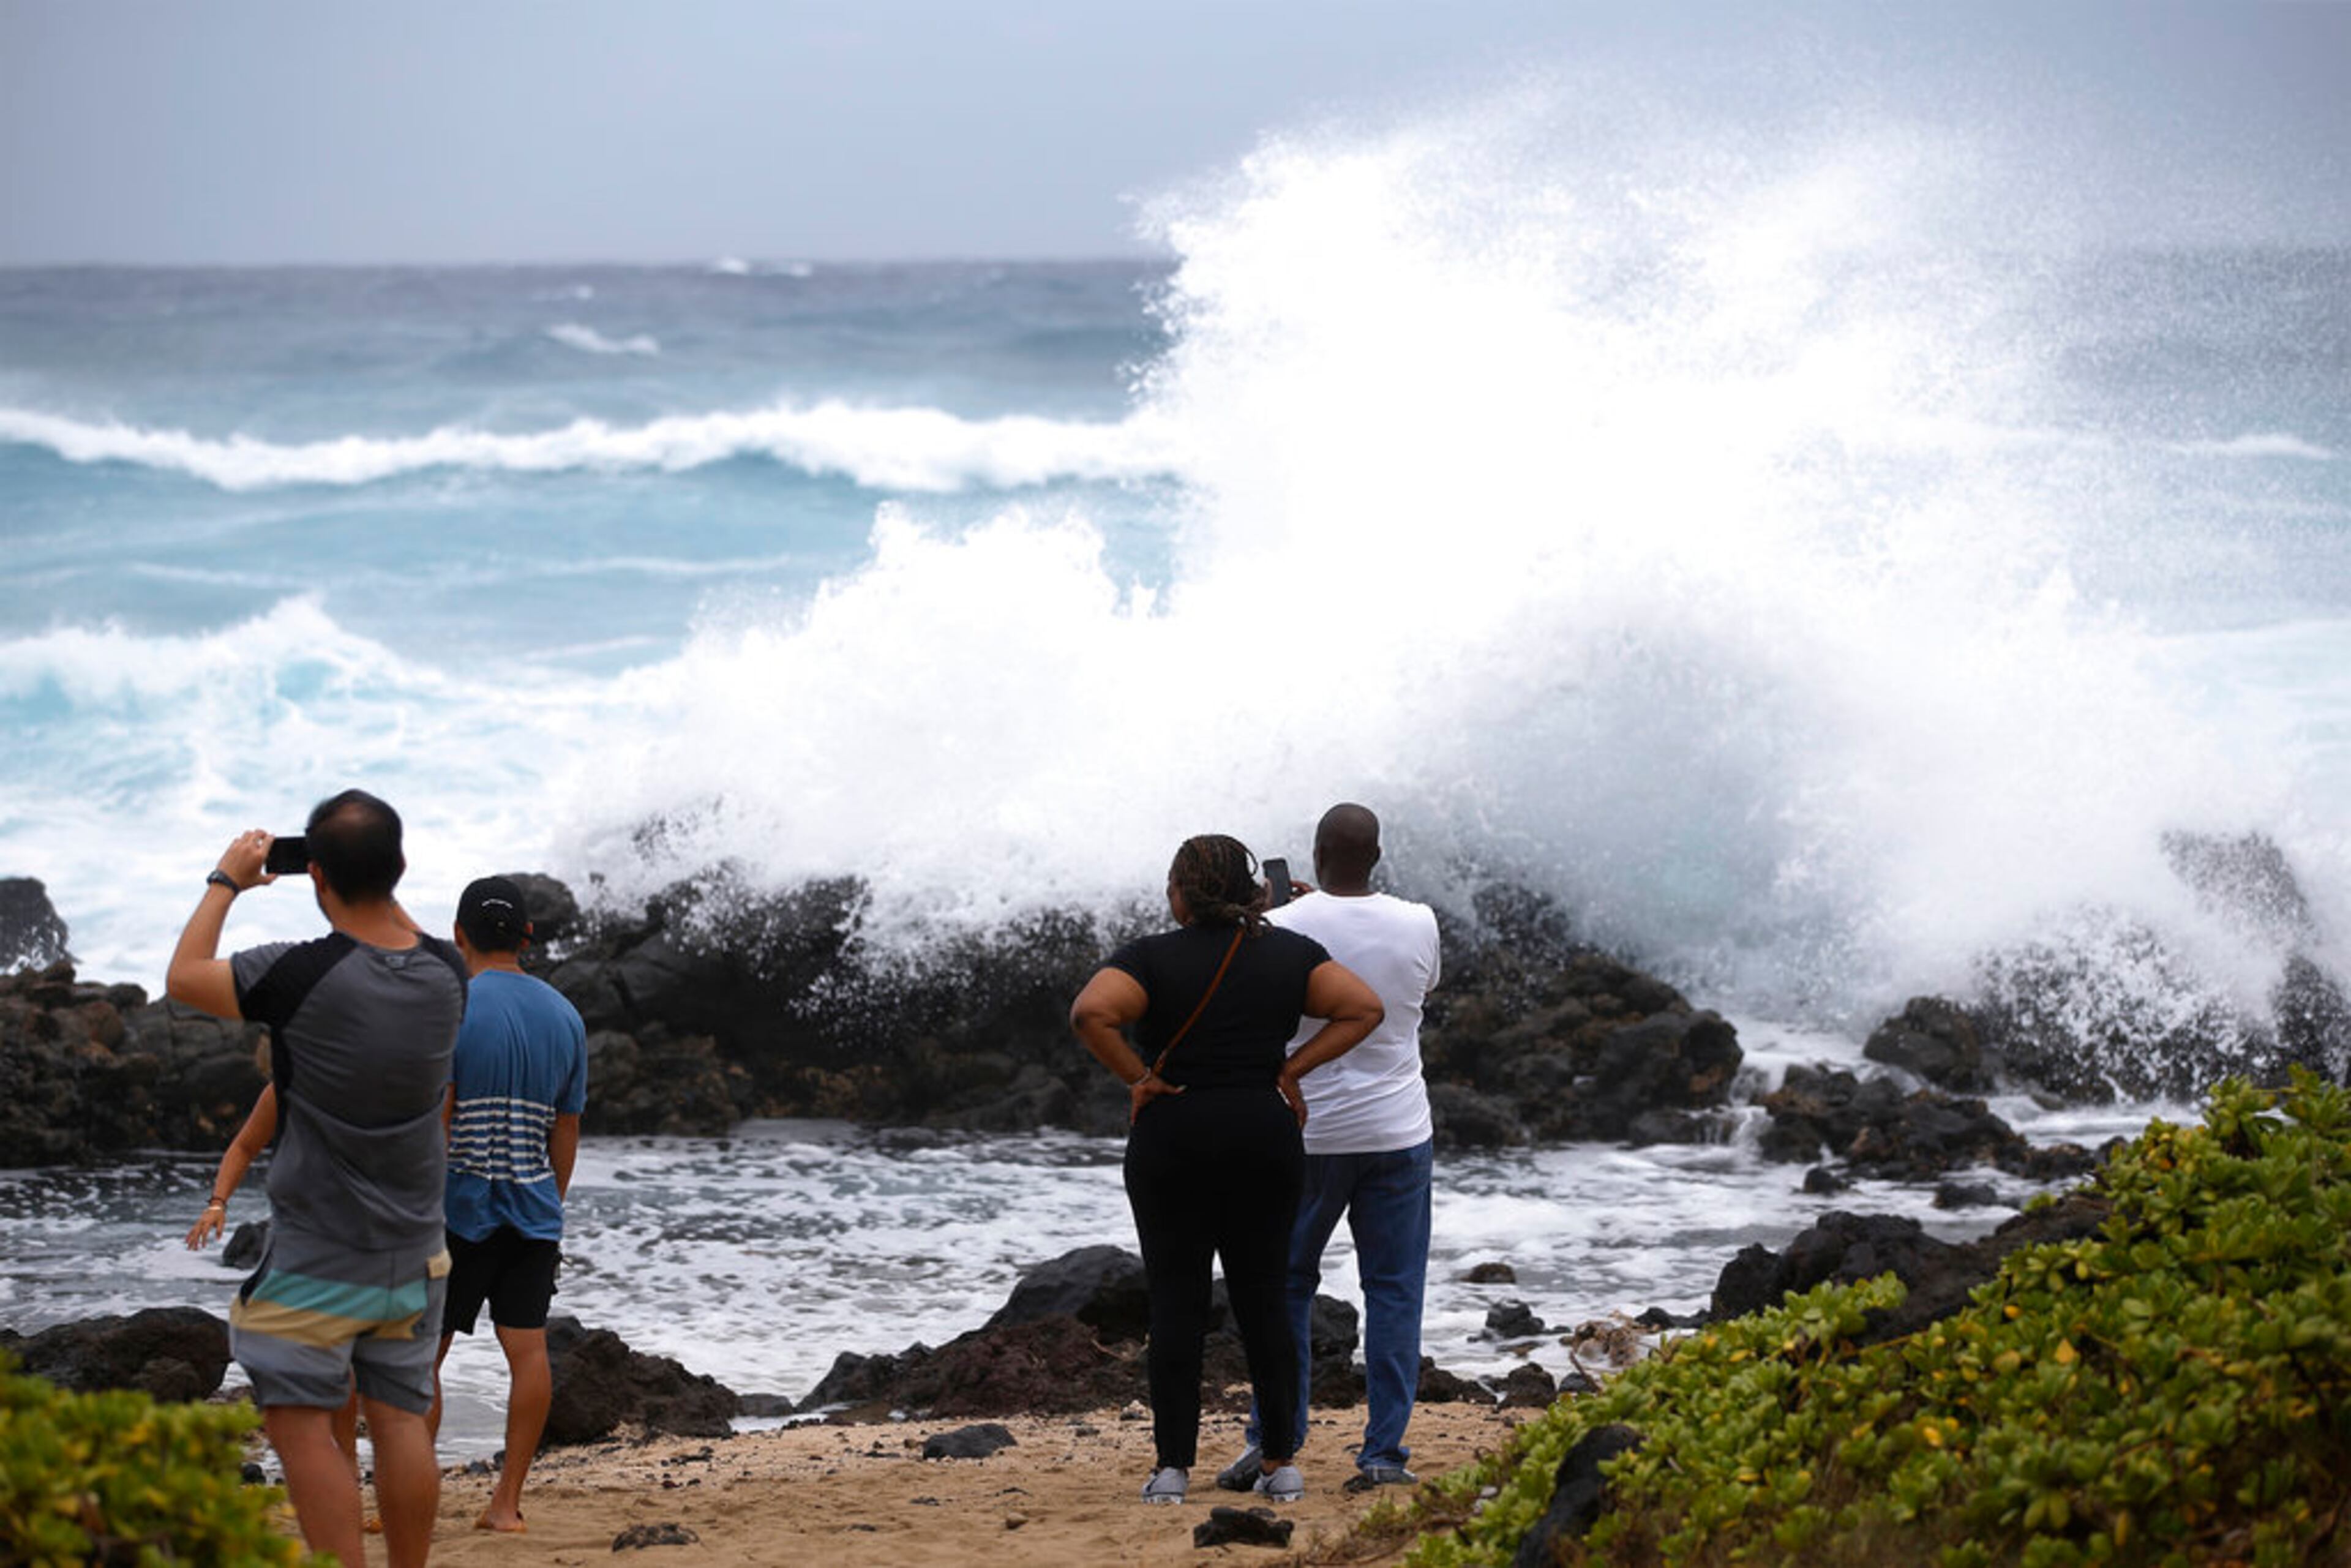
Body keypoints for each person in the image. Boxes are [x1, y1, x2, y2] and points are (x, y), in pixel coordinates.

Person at [165, 790, 467, 1568]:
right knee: (401, 1416)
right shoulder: (448, 972)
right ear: (400, 867)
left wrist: (226, 880)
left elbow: (184, 977)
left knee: (300, 1421)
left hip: (321, 1254)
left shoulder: (299, 974)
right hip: (415, 1249)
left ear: (317, 875)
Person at [1070, 833, 1384, 1506]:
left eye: (1171, 883)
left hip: (1173, 1139)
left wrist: (1141, 1077)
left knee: (1176, 1302)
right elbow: (1363, 1008)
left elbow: (1091, 1012)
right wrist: (1291, 1068)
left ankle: (1172, 1470)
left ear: (1183, 891)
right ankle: (1279, 1463)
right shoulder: (1290, 954)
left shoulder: (1151, 957)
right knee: (1266, 1301)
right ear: (1250, 892)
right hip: (1262, 1137)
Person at [1217, 803, 1444, 1496]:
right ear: (1376, 856)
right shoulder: (1420, 921)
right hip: (1399, 1132)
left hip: (1306, 1133)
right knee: (1396, 1292)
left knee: (1283, 1289)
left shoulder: (1279, 928)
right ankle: (1383, 1455)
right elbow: (1415, 990)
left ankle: (1272, 1445)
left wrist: (1283, 915)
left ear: (1315, 854)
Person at [427, 876, 588, 1536]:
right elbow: (566, 1131)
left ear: (458, 933)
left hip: (456, 1210)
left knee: (418, 1361)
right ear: (527, 936)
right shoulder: (567, 1016)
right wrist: (549, 1203)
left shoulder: (452, 1006)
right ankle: (505, 1504)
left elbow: (439, 1119)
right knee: (527, 1352)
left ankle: (418, 1496)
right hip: (534, 1211)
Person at [185, 1084, 364, 1490]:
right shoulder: (288, 1083)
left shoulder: (372, 1073)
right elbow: (245, 1145)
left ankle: (344, 1462)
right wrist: (218, 1203)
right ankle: (325, 1460)